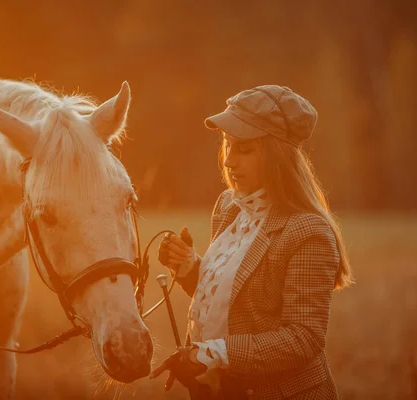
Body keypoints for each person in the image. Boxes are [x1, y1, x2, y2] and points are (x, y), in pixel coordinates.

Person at [150, 85, 353, 399]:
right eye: (227, 146)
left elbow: (303, 338)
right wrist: (190, 267)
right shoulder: (229, 207)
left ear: (277, 156)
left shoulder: (308, 232)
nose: (229, 161)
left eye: (244, 149)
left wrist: (212, 353)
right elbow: (240, 303)